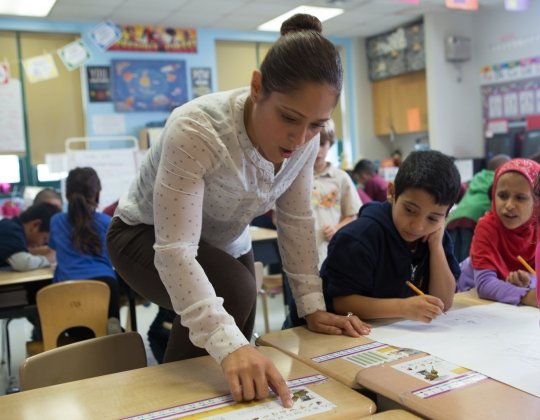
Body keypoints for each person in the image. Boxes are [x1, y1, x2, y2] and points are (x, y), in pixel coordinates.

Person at [106, 13, 370, 407]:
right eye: (288, 118)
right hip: (143, 234)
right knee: (233, 300)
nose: (299, 139)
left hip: (226, 240)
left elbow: (297, 222)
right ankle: (168, 410)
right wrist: (226, 344)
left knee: (237, 335)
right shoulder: (197, 129)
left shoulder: (306, 144)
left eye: (316, 125)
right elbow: (176, 250)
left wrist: (312, 306)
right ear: (257, 87)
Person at [322, 150, 462, 322]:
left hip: (397, 335)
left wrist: (436, 247)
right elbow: (342, 304)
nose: (418, 226)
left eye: (433, 218)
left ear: (446, 215)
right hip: (342, 334)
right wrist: (402, 308)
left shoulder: (435, 237)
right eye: (410, 210)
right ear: (392, 192)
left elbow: (444, 303)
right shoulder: (357, 238)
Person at [457, 158, 539, 307]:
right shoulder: (487, 226)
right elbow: (484, 285)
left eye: (520, 198)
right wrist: (528, 295)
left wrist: (529, 281)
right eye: (502, 195)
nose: (509, 205)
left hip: (507, 301)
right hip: (469, 297)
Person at [48, 167, 122, 333]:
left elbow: (53, 248)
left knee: (78, 334)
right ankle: (113, 328)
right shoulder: (106, 222)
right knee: (107, 333)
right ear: (97, 195)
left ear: (67, 195)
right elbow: (112, 258)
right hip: (106, 289)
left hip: (66, 291)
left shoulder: (56, 221)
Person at [312, 118, 361, 269]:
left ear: (330, 145)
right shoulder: (293, 177)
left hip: (331, 251)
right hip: (300, 254)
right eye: (313, 143)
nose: (318, 150)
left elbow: (353, 215)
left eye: (322, 144)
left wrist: (336, 228)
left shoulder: (341, 178)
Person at [446, 154, 511, 262]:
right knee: (466, 261)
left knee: (452, 261)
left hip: (454, 219)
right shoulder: (500, 180)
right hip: (473, 220)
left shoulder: (478, 176)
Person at [0, 202, 60, 271]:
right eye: (44, 239)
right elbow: (23, 263)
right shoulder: (11, 230)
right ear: (36, 225)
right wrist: (49, 259)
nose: (40, 244)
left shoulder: (15, 229)